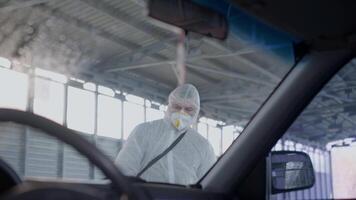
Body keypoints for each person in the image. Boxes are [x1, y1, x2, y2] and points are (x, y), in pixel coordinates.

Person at [115, 84, 216, 185]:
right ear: (169, 106)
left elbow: (208, 183)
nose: (182, 112)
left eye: (188, 109)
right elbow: (125, 168)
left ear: (196, 111)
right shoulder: (144, 131)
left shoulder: (203, 146)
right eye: (177, 107)